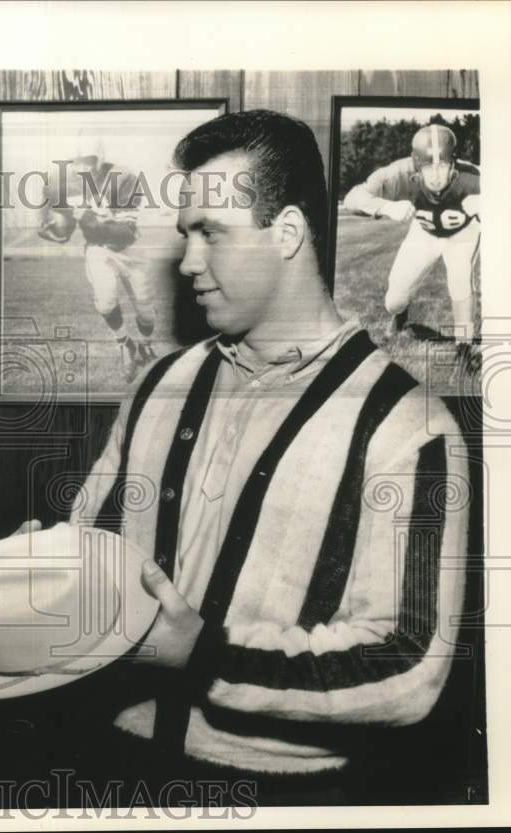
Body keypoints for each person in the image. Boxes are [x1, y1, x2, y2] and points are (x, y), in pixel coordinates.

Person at [71, 110, 469, 805]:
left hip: (283, 795)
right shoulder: (160, 385)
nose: (189, 260)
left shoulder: (409, 426)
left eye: (211, 235)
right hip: (107, 765)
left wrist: (203, 655)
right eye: (185, 234)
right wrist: (45, 574)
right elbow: (93, 548)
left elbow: (406, 669)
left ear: (287, 233)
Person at [343, 123, 481, 374]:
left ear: (454, 162)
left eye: (443, 165)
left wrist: (486, 202)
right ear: (417, 165)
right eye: (429, 166)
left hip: (461, 233)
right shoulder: (400, 173)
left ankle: (464, 347)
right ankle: (401, 312)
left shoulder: (473, 178)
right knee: (393, 300)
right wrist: (385, 207)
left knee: (460, 279)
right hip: (424, 233)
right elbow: (353, 197)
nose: (437, 174)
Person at [38, 132, 157, 384]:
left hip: (130, 249)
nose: (81, 166)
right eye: (76, 161)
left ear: (99, 158)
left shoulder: (124, 178)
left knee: (146, 311)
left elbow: (125, 232)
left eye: (87, 160)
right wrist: (51, 228)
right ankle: (125, 344)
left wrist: (88, 218)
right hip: (97, 249)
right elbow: (65, 228)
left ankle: (145, 345)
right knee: (105, 302)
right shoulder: (67, 184)